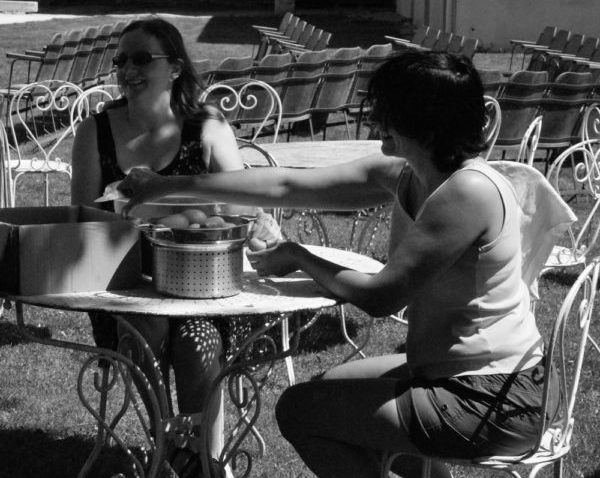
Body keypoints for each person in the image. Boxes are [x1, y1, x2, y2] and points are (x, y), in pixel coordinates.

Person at [118, 51, 559, 478]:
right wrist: (166, 186)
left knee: (301, 412)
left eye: (385, 110)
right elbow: (287, 184)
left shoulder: (467, 191)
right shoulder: (410, 173)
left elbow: (381, 297)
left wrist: (298, 255)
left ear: (423, 121)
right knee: (322, 394)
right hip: (448, 373)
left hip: (495, 396)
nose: (373, 119)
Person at [71, 16, 278, 471]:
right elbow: (82, 219)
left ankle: (196, 455)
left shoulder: (206, 126)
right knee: (146, 330)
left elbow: (243, 206)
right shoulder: (95, 131)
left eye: (142, 58)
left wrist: (260, 226)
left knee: (197, 338)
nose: (128, 69)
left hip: (201, 281)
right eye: (121, 60)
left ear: (176, 68)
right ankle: (173, 445)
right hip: (123, 283)